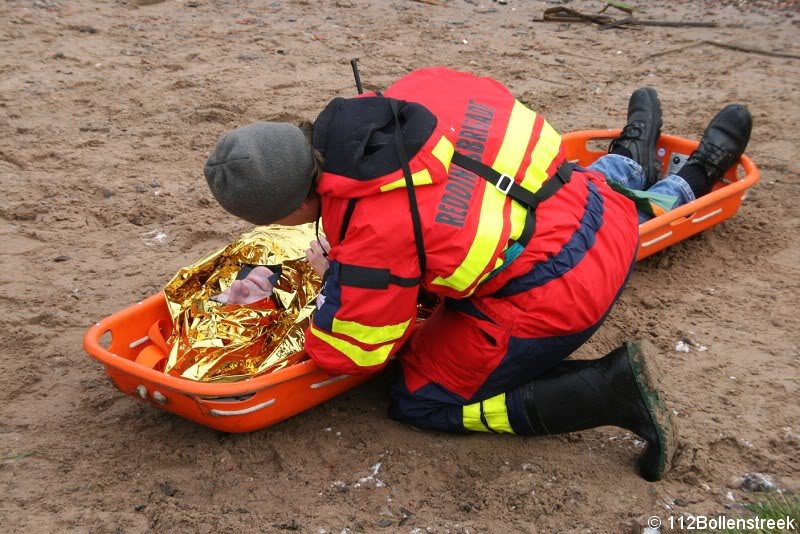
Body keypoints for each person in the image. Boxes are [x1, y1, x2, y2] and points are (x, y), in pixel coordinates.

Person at [203, 67, 752, 482]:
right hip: (587, 196)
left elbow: (352, 352)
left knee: (419, 397)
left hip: (567, 288)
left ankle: (611, 392)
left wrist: (334, 283)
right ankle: (648, 156)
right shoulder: (416, 90)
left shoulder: (373, 233)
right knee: (561, 194)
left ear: (293, 209)